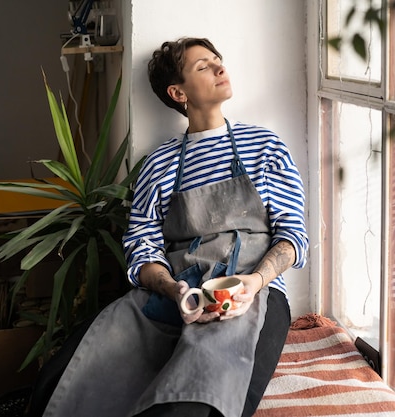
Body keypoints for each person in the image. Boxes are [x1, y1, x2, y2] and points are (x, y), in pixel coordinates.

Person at [37, 37, 308, 417]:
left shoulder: (265, 146)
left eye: (218, 60)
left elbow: (293, 237)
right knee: (65, 378)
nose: (219, 68)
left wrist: (255, 282)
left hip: (249, 298)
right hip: (176, 295)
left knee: (194, 400)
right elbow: (142, 247)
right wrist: (172, 288)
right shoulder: (158, 164)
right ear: (178, 92)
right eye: (203, 66)